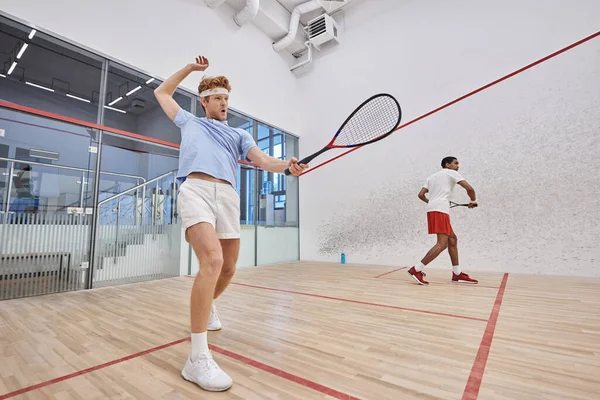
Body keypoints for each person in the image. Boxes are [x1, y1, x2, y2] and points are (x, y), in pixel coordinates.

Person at [154, 55, 307, 392]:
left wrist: (287, 167)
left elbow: (264, 160)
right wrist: (191, 70)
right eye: (218, 98)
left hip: (228, 196)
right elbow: (162, 93)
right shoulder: (189, 122)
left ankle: (207, 309)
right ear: (205, 101)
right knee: (212, 260)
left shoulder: (239, 134)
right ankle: (196, 357)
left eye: (227, 99)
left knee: (228, 269)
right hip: (195, 189)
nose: (224, 103)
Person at [407, 156, 478, 285]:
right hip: (440, 210)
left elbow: (421, 195)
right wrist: (472, 201)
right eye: (456, 163)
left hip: (433, 209)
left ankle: (457, 274)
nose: (458, 166)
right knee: (442, 244)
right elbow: (470, 189)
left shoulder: (432, 177)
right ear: (447, 164)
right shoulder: (451, 173)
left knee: (452, 239)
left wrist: (432, 202)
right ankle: (416, 269)